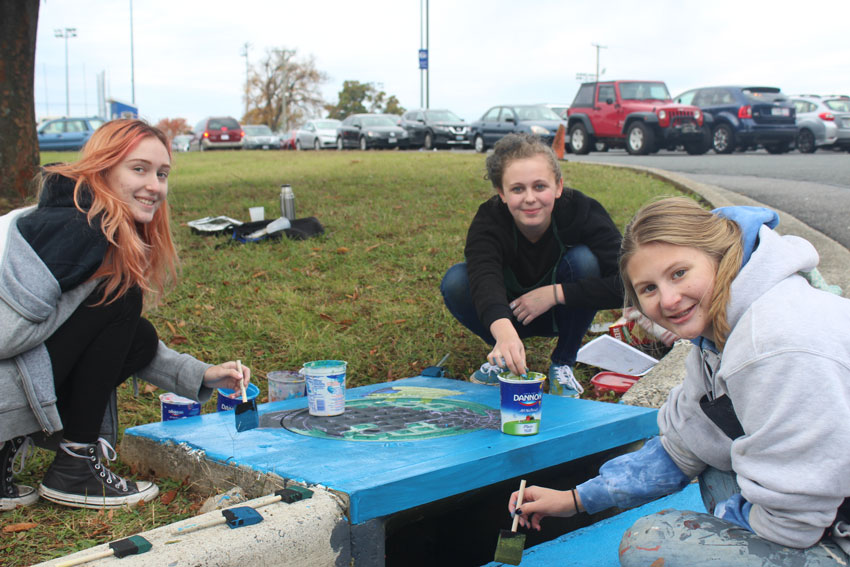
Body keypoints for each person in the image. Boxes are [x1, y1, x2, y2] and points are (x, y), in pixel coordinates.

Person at [508, 197, 850, 566]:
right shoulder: (720, 337)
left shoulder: (768, 345)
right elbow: (686, 444)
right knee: (716, 463)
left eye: (679, 273)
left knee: (648, 547)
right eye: (649, 288)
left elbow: (794, 521)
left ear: (718, 255)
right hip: (828, 501)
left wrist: (719, 529)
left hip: (823, 523)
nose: (669, 300)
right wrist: (575, 500)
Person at [1, 119, 251, 511]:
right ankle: (76, 466)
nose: (155, 185)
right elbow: (5, 336)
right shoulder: (81, 230)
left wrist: (201, 375)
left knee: (129, 323)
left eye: (162, 173)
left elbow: (124, 339)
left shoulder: (67, 217)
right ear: (102, 168)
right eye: (139, 169)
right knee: (119, 299)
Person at [440, 133, 623, 394]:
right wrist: (503, 331)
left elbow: (627, 283)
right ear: (501, 193)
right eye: (517, 189)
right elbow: (484, 277)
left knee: (584, 260)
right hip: (508, 314)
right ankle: (505, 353)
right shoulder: (488, 220)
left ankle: (563, 363)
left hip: (561, 312)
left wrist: (556, 293)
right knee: (457, 280)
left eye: (540, 186)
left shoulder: (582, 211)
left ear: (558, 186)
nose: (529, 198)